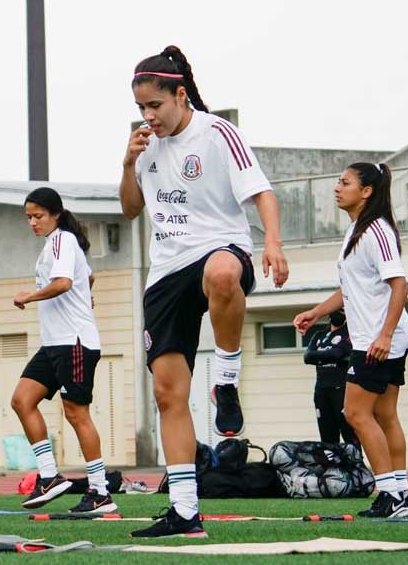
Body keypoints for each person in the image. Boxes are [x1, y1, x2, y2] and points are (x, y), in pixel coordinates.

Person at [119, 46, 289, 538]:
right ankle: (185, 511)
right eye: (141, 109)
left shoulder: (217, 133)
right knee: (168, 394)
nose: (149, 116)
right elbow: (131, 209)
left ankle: (228, 380)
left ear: (180, 94)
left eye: (155, 105)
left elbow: (263, 192)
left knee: (220, 275)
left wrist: (273, 244)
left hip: (220, 248)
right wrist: (128, 163)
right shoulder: (144, 146)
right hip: (166, 271)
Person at [294, 162, 408, 518]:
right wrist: (316, 312)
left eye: (345, 182)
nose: (337, 187)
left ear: (366, 192)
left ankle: (391, 496)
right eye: (337, 181)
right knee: (384, 415)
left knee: (356, 413)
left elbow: (400, 285)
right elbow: (351, 289)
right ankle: (401, 494)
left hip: (378, 339)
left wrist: (385, 335)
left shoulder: (377, 230)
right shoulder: (355, 232)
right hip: (376, 336)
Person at [10, 187, 116, 514]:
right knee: (21, 400)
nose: (33, 222)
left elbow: (64, 283)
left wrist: (29, 296)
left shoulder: (62, 240)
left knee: (75, 413)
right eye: (29, 216)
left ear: (55, 214)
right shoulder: (54, 245)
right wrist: (86, 293)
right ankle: (50, 477)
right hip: (55, 343)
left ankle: (100, 493)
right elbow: (87, 277)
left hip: (75, 342)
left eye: (38, 216)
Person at [302, 309, 357, 445]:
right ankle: (332, 464)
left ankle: (355, 463)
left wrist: (320, 357)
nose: (338, 313)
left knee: (348, 432)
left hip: (341, 390)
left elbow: (339, 354)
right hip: (321, 390)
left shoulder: (350, 334)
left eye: (342, 311)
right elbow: (308, 357)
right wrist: (331, 355)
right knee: (327, 434)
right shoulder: (319, 335)